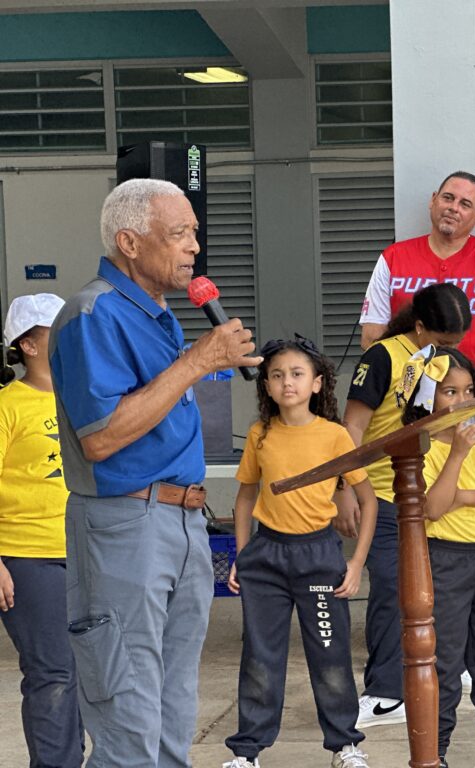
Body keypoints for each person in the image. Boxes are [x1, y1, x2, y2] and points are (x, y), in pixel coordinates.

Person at [49, 178, 261, 766]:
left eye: (195, 232)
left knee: (173, 712)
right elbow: (101, 437)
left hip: (184, 519)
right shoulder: (93, 314)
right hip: (126, 523)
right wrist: (198, 361)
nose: (195, 246)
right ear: (130, 242)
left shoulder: (159, 314)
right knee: (127, 717)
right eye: (179, 234)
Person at [222, 335, 378, 768]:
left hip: (319, 556)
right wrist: (241, 555)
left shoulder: (335, 436)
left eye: (296, 374)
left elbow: (368, 502)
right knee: (260, 656)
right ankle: (247, 752)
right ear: (266, 386)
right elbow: (244, 498)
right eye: (276, 375)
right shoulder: (260, 434)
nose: (286, 382)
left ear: (316, 383)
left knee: (330, 655)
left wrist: (356, 563)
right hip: (267, 556)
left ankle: (345, 745)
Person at [342, 283, 473, 728]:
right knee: (390, 589)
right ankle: (385, 693)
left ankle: (446, 667)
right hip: (383, 491)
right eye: (443, 340)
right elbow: (352, 428)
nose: (451, 350)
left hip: (431, 487)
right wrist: (345, 488)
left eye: (457, 343)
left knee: (437, 587)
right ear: (418, 326)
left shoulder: (442, 360)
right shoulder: (383, 358)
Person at [401, 345, 475, 768]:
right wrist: (457, 456)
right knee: (445, 662)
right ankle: (437, 749)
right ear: (426, 396)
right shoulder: (420, 448)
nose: (463, 400)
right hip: (444, 560)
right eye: (449, 392)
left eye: (469, 390)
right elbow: (434, 508)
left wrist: (460, 496)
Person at [359, 171, 475, 392]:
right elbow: (371, 336)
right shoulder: (393, 257)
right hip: (406, 397)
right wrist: (411, 384)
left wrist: (474, 383)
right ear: (433, 200)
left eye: (465, 204)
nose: (454, 208)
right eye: (448, 198)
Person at [0, 293, 84, 768]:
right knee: (52, 671)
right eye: (57, 331)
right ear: (28, 346)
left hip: (87, 550)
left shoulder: (83, 396)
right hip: (28, 557)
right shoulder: (8, 406)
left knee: (87, 671)